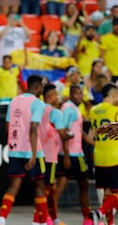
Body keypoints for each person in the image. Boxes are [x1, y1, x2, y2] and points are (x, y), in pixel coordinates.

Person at [0, 75, 48, 225]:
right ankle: (43, 222)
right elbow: (33, 129)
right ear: (37, 87)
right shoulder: (38, 103)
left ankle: (2, 219)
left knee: (13, 187)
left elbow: (8, 128)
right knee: (39, 187)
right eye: (42, 88)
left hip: (14, 150)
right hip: (33, 152)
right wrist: (32, 154)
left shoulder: (14, 101)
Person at [55, 85, 95, 225]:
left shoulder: (76, 109)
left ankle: (87, 219)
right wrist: (66, 156)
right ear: (71, 94)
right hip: (70, 154)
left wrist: (92, 142)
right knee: (61, 186)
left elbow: (79, 131)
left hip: (77, 153)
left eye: (81, 94)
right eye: (76, 94)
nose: (80, 96)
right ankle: (50, 216)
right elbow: (64, 132)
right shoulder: (68, 108)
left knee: (83, 185)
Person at [40, 84, 72, 225]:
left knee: (46, 188)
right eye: (56, 95)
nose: (58, 97)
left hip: (39, 154)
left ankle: (52, 218)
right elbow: (63, 135)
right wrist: (71, 134)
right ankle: (45, 217)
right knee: (48, 188)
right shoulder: (55, 113)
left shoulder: (38, 109)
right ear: (50, 96)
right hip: (50, 156)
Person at [89, 83, 118, 225]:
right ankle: (99, 212)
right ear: (113, 95)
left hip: (99, 157)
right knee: (116, 194)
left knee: (107, 193)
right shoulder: (115, 111)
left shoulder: (93, 110)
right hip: (114, 157)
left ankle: (110, 223)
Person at [100, 17, 118, 83]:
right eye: (115, 25)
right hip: (110, 73)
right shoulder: (106, 38)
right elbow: (102, 55)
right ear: (112, 26)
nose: (117, 27)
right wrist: (105, 68)